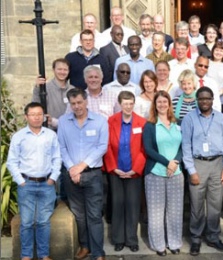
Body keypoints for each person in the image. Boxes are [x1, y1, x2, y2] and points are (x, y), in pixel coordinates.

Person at [58, 88, 108, 260]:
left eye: (79, 102)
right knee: (79, 214)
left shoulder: (100, 121)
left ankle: (98, 252)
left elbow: (102, 147)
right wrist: (73, 168)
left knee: (94, 214)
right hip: (71, 176)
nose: (77, 106)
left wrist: (81, 166)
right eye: (73, 104)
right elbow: (62, 147)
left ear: (86, 101)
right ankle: (85, 246)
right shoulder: (64, 122)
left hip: (92, 174)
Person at [7, 102, 61, 260]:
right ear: (26, 117)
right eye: (33, 114)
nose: (37, 117)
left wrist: (52, 178)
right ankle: (26, 256)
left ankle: (44, 255)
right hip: (27, 184)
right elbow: (12, 161)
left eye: (39, 114)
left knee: (44, 222)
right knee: (27, 222)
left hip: (46, 184)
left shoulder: (51, 135)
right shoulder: (19, 136)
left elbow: (57, 158)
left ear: (43, 116)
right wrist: (20, 181)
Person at [181, 87, 223, 256]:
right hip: (198, 164)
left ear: (212, 99)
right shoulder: (189, 118)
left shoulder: (221, 118)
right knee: (196, 205)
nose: (204, 101)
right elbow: (186, 146)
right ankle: (195, 239)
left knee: (215, 204)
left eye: (207, 98)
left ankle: (213, 237)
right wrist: (191, 170)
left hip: (217, 163)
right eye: (201, 99)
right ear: (197, 100)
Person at [103, 91, 146, 253]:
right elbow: (106, 146)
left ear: (134, 104)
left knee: (133, 205)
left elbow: (144, 149)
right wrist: (114, 168)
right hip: (116, 171)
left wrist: (135, 169)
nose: (128, 106)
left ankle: (131, 239)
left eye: (131, 103)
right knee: (118, 204)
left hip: (134, 172)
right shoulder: (111, 121)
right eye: (125, 103)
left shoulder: (141, 123)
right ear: (120, 104)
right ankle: (118, 239)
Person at [143, 91, 184, 256]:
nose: (162, 105)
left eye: (164, 102)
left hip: (176, 173)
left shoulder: (178, 123)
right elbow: (148, 149)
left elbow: (183, 146)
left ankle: (174, 243)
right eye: (159, 102)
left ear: (169, 104)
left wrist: (175, 162)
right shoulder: (150, 125)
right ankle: (159, 245)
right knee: (156, 212)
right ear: (155, 104)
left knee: (175, 210)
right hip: (155, 173)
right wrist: (167, 163)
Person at [32, 58, 75, 130]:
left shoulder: (73, 90)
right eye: (59, 69)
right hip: (50, 129)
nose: (62, 72)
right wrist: (37, 88)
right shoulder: (45, 88)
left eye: (65, 70)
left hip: (68, 130)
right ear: (53, 70)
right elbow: (35, 104)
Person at [208, 41, 223, 115]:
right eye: (217, 50)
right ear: (213, 51)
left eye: (221, 51)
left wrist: (219, 93)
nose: (218, 53)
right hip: (208, 98)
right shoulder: (208, 63)